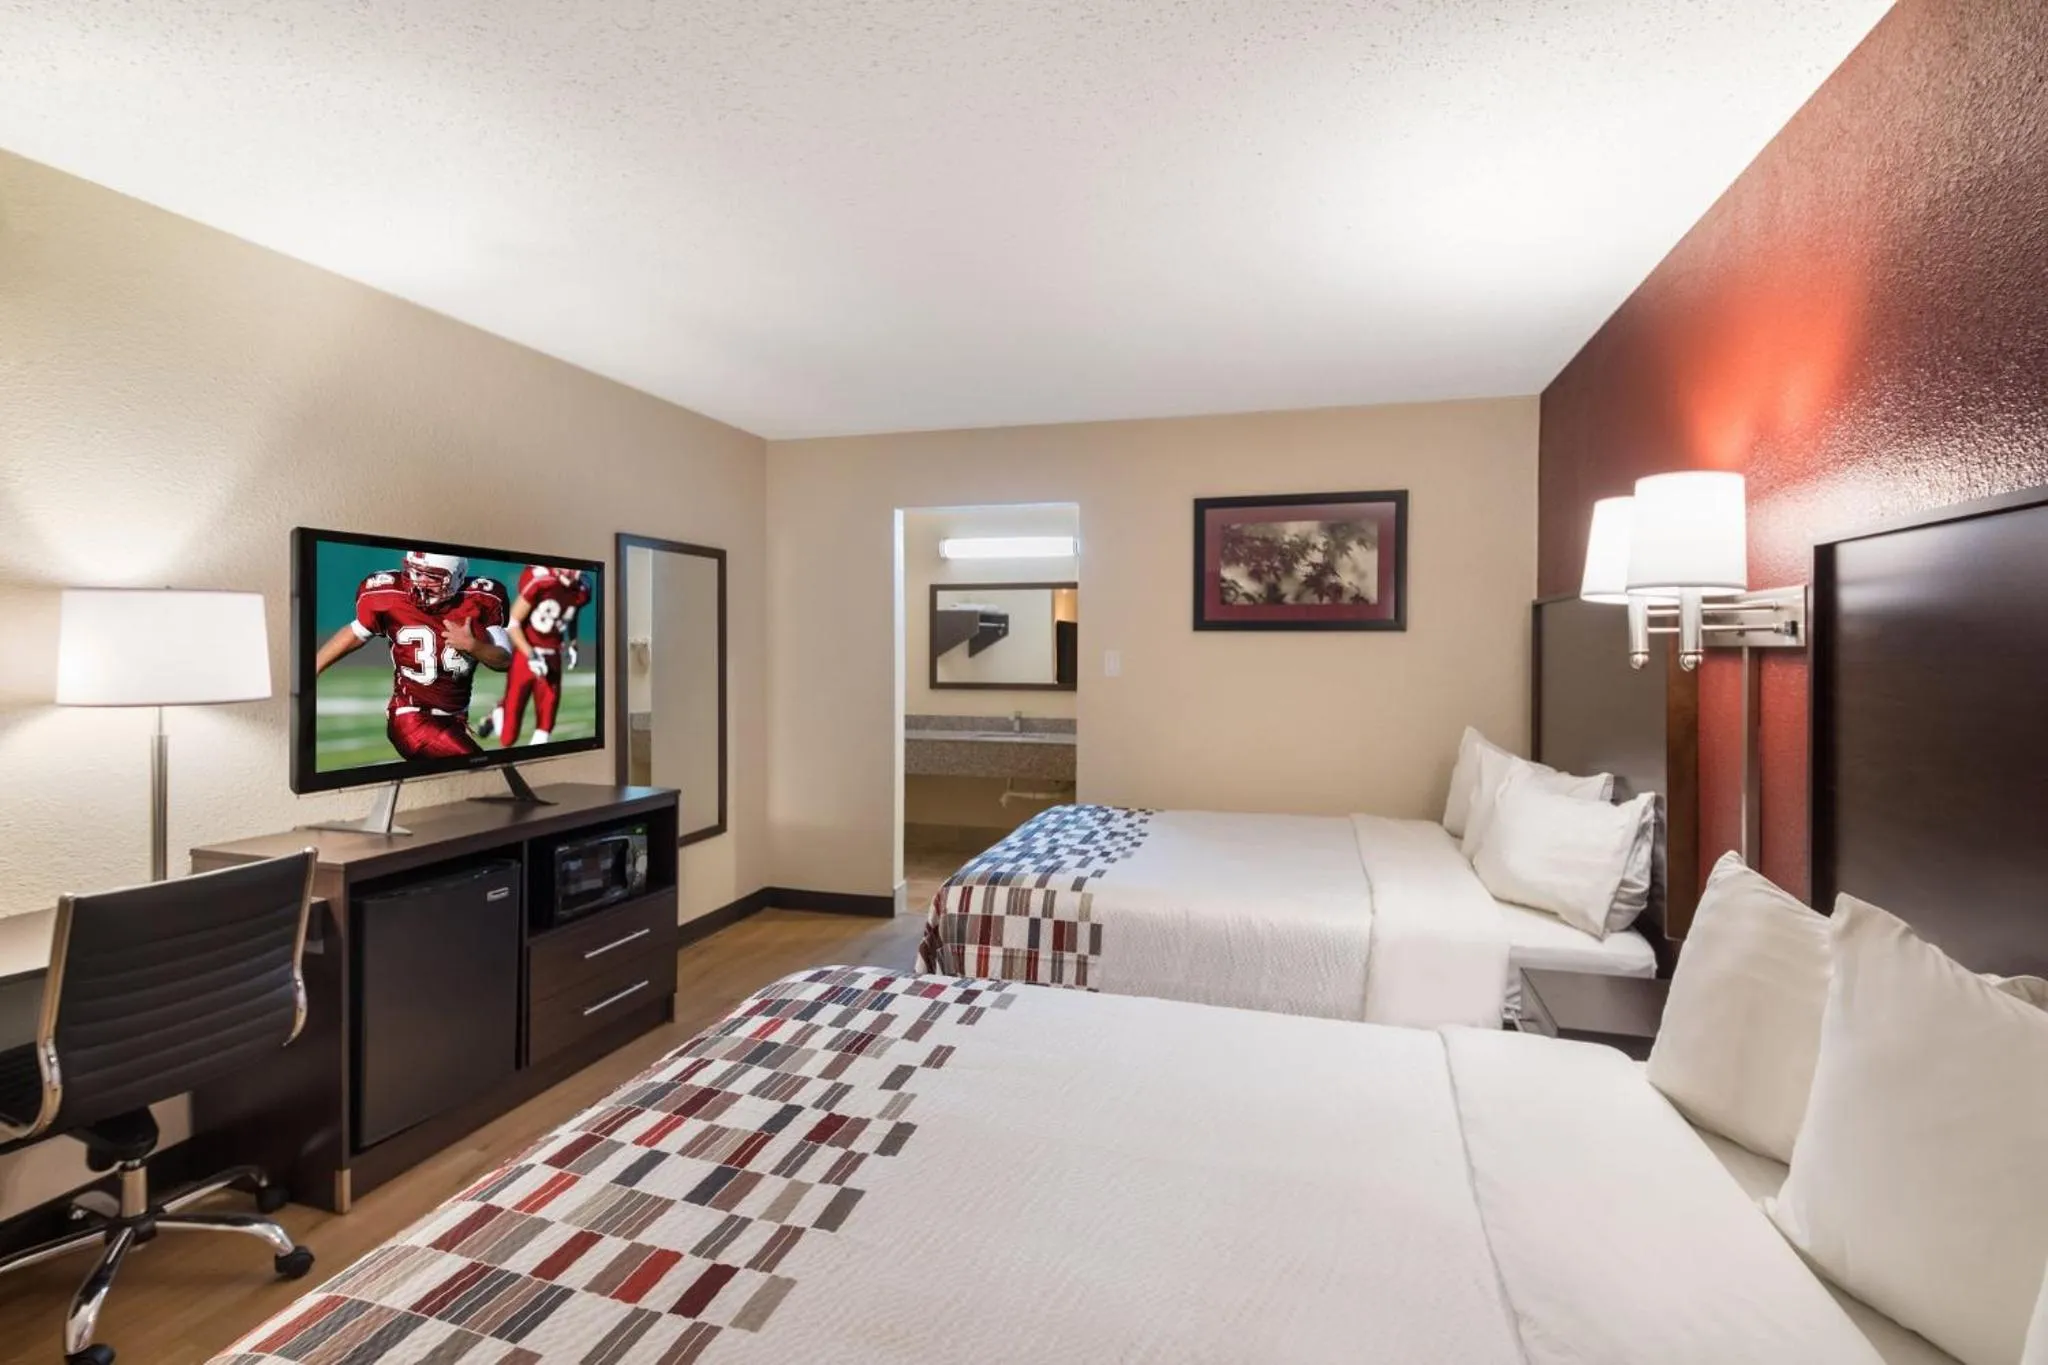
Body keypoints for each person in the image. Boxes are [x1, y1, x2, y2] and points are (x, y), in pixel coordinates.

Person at [313, 550, 512, 759]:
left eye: (433, 576)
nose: (421, 582)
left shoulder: (481, 599)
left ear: (457, 577)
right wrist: (314, 667)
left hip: (455, 720)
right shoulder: (389, 594)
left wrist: (473, 646)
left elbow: (505, 660)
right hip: (411, 718)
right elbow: (357, 632)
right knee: (480, 766)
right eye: (416, 573)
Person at [478, 565, 590, 746]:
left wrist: (573, 642)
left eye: (574, 568)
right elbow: (513, 622)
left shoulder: (583, 588)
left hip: (553, 654)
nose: (571, 572)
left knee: (546, 726)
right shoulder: (541, 581)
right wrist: (531, 654)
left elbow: (571, 613)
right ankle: (500, 712)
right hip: (526, 653)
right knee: (509, 735)